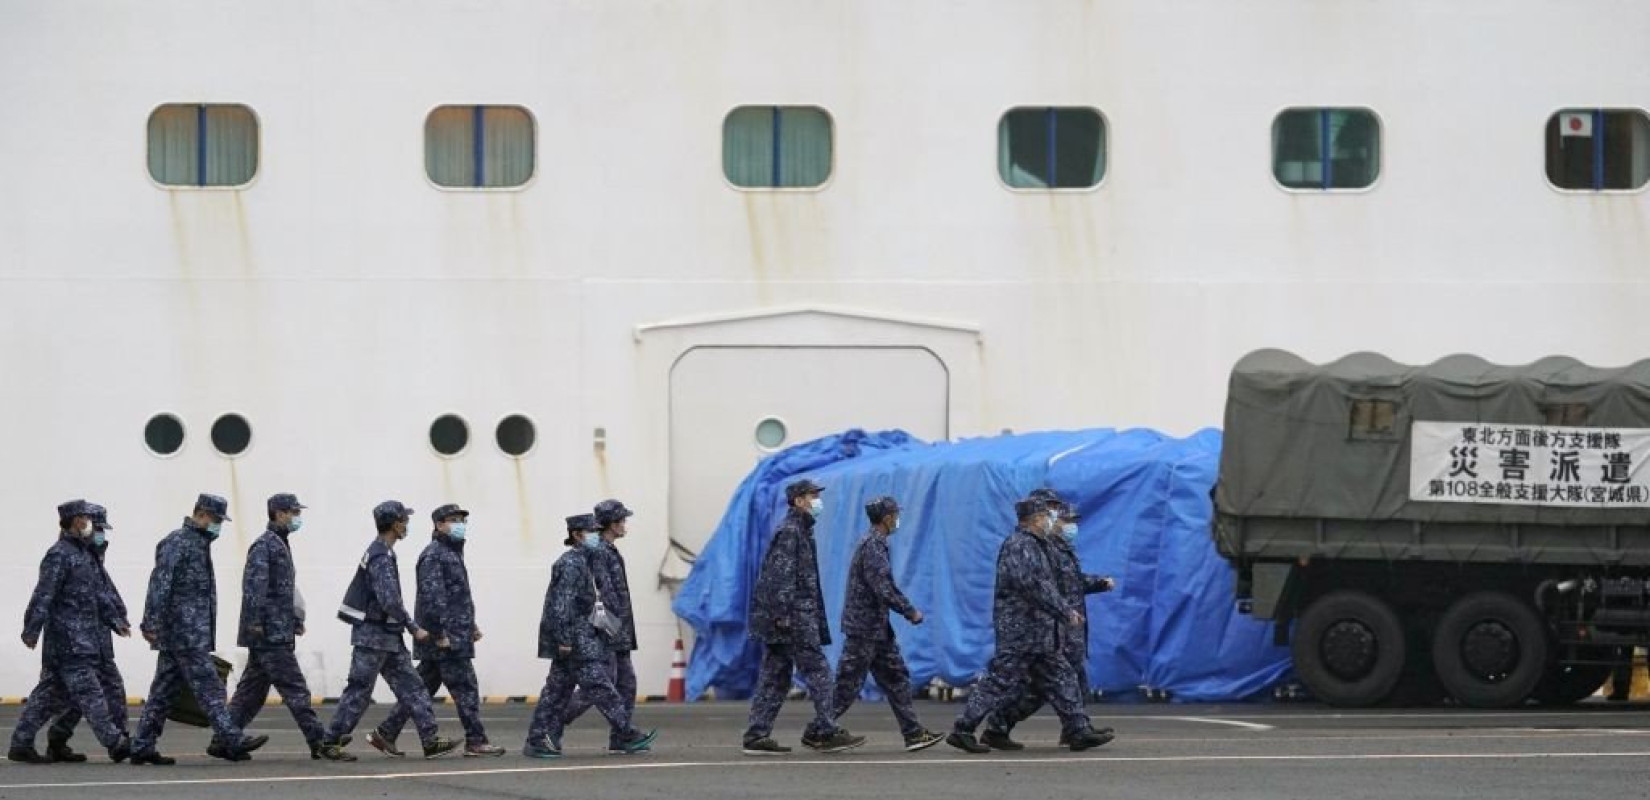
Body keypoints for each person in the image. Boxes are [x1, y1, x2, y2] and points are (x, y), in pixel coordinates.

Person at [946, 496, 1111, 754]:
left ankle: (1077, 730)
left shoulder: (1038, 546)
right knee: (999, 681)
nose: (1051, 520)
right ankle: (963, 729)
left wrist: (1064, 609)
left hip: (1041, 632)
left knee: (1063, 676)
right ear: (1035, 519)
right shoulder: (1019, 545)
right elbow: (1033, 585)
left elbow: (1052, 584)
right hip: (1020, 631)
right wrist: (1064, 610)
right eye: (1047, 515)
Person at [131, 494, 269, 765]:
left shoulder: (199, 544)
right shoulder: (177, 543)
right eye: (216, 519)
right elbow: (160, 584)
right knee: (210, 688)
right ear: (202, 514)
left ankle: (142, 745)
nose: (219, 525)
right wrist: (150, 622)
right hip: (184, 633)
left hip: (187, 633)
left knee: (163, 692)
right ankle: (232, 739)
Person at [322, 501, 461, 760]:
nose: (406, 525)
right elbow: (390, 601)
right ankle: (331, 742)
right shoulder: (380, 556)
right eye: (404, 520)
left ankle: (430, 740)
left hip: (387, 636)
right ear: (394, 523)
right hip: (374, 636)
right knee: (360, 691)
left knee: (414, 688)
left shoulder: (383, 552)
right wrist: (413, 627)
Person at [222, 494, 354, 761]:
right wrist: (255, 623)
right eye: (293, 512)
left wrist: (294, 620)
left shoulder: (280, 544)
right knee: (295, 688)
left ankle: (223, 740)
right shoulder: (264, 546)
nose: (296, 518)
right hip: (269, 634)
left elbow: (283, 591)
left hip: (276, 630)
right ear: (278, 513)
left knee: (251, 693)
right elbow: (254, 589)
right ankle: (320, 742)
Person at [742, 479, 865, 756]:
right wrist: (782, 616)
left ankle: (756, 735)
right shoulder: (791, 532)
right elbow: (781, 577)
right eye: (812, 496)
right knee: (819, 671)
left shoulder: (799, 531)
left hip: (789, 618)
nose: (817, 501)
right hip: (793, 619)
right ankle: (825, 731)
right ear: (799, 500)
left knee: (776, 677)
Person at [370, 504, 504, 757]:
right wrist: (441, 634)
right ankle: (476, 741)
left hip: (452, 634)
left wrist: (471, 625)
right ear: (439, 524)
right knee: (466, 689)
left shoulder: (450, 553)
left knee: (421, 689)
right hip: (446, 639)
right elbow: (433, 599)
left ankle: (386, 732)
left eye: (462, 520)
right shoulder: (435, 555)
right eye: (453, 520)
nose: (459, 524)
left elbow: (457, 597)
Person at [523, 514, 658, 759]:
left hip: (583, 637)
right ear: (577, 535)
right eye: (591, 532)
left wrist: (610, 630)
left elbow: (591, 603)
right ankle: (626, 733)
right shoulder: (571, 564)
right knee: (600, 686)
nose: (597, 536)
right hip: (576, 641)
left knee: (556, 692)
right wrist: (564, 639)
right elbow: (561, 605)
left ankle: (540, 740)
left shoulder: (586, 561)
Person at [9, 500, 132, 765]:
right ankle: (115, 742)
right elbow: (44, 594)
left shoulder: (83, 555)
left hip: (82, 639)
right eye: (86, 519)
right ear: (76, 521)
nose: (90, 525)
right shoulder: (60, 554)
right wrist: (31, 630)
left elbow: (98, 594)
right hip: (69, 641)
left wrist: (115, 620)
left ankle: (21, 743)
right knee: (90, 692)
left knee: (47, 697)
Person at [826, 496, 944, 752]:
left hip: (876, 629)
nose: (898, 519)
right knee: (848, 685)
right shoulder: (873, 546)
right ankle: (820, 729)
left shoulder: (876, 544)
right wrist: (910, 611)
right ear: (887, 517)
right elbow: (883, 588)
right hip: (864, 629)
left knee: (896, 677)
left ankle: (913, 733)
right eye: (895, 514)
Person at [561, 499, 645, 754]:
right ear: (610, 524)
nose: (624, 526)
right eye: (621, 521)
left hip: (619, 631)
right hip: (607, 630)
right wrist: (608, 630)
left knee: (626, 684)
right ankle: (555, 719)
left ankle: (621, 737)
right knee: (599, 685)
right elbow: (599, 595)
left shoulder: (609, 550)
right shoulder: (598, 552)